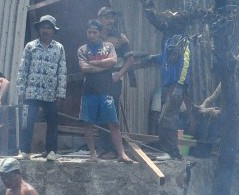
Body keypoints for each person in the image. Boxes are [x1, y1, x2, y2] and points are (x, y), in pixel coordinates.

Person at [143, 2, 195, 161]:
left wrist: (180, 84)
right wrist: (154, 58)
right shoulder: (169, 40)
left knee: (166, 118)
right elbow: (165, 58)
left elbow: (186, 62)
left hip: (175, 85)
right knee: (167, 118)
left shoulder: (182, 40)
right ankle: (171, 151)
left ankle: (172, 152)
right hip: (167, 84)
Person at [78, 20, 135, 163]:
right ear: (86, 33)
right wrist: (104, 66)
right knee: (88, 123)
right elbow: (84, 68)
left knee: (113, 123)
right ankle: (93, 154)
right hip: (89, 90)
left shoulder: (108, 46)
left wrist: (93, 63)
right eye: (89, 32)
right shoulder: (82, 49)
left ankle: (121, 154)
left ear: (99, 33)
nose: (92, 35)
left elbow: (114, 61)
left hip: (106, 90)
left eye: (95, 32)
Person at [17, 15, 67, 161]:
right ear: (39, 29)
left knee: (52, 122)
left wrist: (61, 92)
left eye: (49, 28)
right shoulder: (30, 46)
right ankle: (25, 151)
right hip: (31, 92)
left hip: (50, 93)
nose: (46, 30)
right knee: (27, 122)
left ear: (53, 31)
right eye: (43, 27)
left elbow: (62, 71)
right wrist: (21, 90)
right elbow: (23, 69)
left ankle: (51, 151)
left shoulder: (59, 48)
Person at [97, 6, 135, 156]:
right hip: (97, 80)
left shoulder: (121, 37)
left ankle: (115, 149)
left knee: (112, 114)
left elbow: (130, 60)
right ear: (100, 19)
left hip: (113, 80)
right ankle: (103, 148)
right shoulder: (94, 36)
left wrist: (118, 75)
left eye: (112, 18)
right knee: (100, 112)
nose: (111, 21)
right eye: (107, 17)